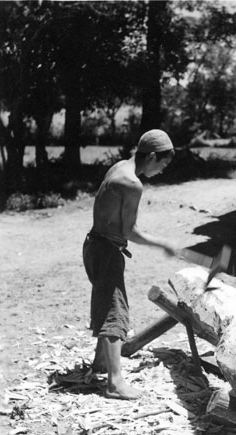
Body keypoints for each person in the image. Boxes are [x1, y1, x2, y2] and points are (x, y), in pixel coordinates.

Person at [83, 129, 178, 400]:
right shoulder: (132, 184)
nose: (162, 170)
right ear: (150, 156)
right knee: (115, 312)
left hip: (93, 246)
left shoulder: (120, 167)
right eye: (162, 164)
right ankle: (115, 382)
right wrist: (163, 243)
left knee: (107, 305)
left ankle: (100, 364)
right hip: (106, 251)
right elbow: (130, 232)